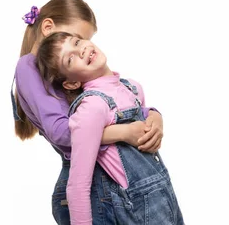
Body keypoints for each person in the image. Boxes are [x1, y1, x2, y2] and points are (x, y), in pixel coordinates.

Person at [11, 0, 165, 224]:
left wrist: (152, 115)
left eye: (81, 41)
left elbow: (110, 108)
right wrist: (123, 133)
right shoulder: (28, 66)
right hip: (92, 184)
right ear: (48, 27)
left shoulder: (74, 73)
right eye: (75, 37)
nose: (83, 48)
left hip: (110, 177)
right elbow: (62, 131)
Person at [36, 31, 184, 225]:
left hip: (166, 199)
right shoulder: (92, 107)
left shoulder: (132, 87)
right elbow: (78, 185)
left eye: (77, 42)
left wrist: (155, 116)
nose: (81, 51)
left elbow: (142, 117)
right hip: (137, 210)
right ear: (72, 83)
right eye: (70, 59)